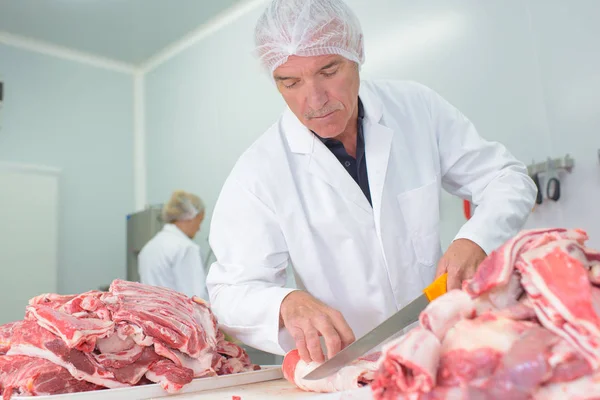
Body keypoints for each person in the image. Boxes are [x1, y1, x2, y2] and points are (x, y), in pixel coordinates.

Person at [206, 0, 537, 364]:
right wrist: (287, 303)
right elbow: (229, 291)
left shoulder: (416, 108)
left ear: (357, 52)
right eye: (291, 82)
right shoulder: (259, 171)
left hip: (444, 347)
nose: (314, 100)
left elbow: (507, 178)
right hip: (352, 367)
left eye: (329, 71)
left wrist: (477, 237)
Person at [138, 190, 208, 300]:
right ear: (190, 216)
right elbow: (196, 299)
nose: (199, 228)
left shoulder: (148, 247)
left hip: (153, 315)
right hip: (179, 316)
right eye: (200, 220)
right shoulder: (186, 248)